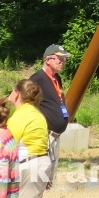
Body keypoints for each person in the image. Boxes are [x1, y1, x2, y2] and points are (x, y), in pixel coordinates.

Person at [29, 45, 69, 187]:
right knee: (39, 176)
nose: (62, 61)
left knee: (49, 178)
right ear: (47, 60)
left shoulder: (57, 78)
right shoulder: (37, 79)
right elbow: (25, 103)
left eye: (64, 58)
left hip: (56, 135)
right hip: (45, 134)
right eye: (59, 58)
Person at [6, 80, 49, 198]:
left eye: (13, 90)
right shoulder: (37, 113)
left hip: (30, 165)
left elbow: (7, 145)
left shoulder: (20, 116)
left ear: (17, 94)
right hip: (42, 162)